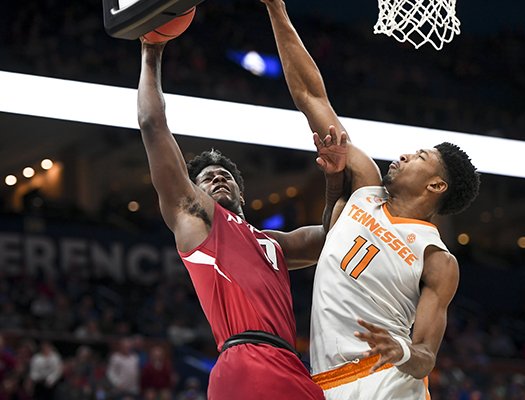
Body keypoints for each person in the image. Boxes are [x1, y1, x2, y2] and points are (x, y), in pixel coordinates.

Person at [261, 0, 481, 398]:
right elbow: (313, 97)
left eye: (419, 157)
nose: (404, 155)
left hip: (387, 381)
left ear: (435, 186)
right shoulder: (364, 185)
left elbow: (425, 357)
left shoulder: (437, 258)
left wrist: (399, 349)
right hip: (327, 384)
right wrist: (276, 8)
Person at [137, 37, 345, 399]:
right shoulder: (196, 218)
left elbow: (336, 234)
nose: (218, 177)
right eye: (207, 177)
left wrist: (333, 177)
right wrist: (151, 53)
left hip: (291, 365)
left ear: (242, 193)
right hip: (246, 359)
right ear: (195, 192)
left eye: (225, 175)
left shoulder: (273, 243)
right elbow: (151, 123)